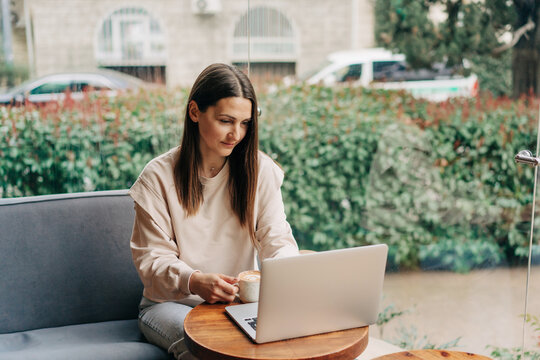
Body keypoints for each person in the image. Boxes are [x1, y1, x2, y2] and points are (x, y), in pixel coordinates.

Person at [128, 63, 299, 359]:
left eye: (245, 123)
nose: (236, 133)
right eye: (226, 120)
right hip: (169, 306)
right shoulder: (157, 178)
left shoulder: (260, 171)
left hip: (237, 304)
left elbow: (277, 240)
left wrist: (285, 272)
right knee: (209, 349)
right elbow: (152, 261)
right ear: (195, 112)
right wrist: (194, 280)